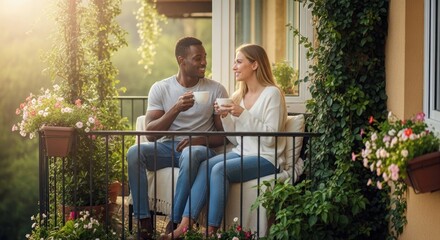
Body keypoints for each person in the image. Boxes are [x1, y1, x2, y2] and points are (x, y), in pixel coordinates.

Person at [165, 44, 287, 239]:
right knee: (205, 165)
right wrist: (225, 117)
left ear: (255, 65)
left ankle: (211, 231)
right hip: (242, 153)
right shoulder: (238, 96)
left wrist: (243, 114)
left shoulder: (272, 94)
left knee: (219, 169)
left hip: (266, 158)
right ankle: (184, 226)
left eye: (239, 62)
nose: (234, 67)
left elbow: (270, 139)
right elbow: (235, 138)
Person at [126, 36, 228, 239]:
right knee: (135, 152)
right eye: (197, 58)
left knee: (190, 153)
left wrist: (197, 140)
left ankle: (174, 223)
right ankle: (144, 223)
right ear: (182, 60)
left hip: (200, 148)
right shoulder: (161, 88)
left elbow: (223, 136)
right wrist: (176, 109)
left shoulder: (216, 89)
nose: (204, 63)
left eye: (205, 57)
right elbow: (150, 134)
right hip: (167, 148)